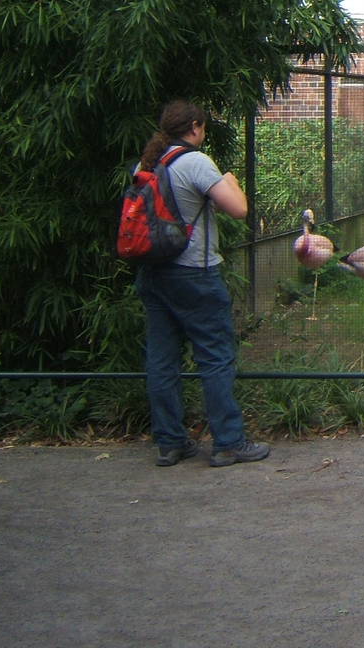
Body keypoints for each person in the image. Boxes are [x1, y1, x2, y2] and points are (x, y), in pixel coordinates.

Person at [132, 100, 270, 468]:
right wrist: (230, 182)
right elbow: (238, 209)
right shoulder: (195, 161)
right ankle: (228, 442)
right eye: (203, 127)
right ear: (195, 127)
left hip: (154, 273)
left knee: (162, 360)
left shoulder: (148, 164)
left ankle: (170, 442)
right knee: (215, 356)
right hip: (194, 273)